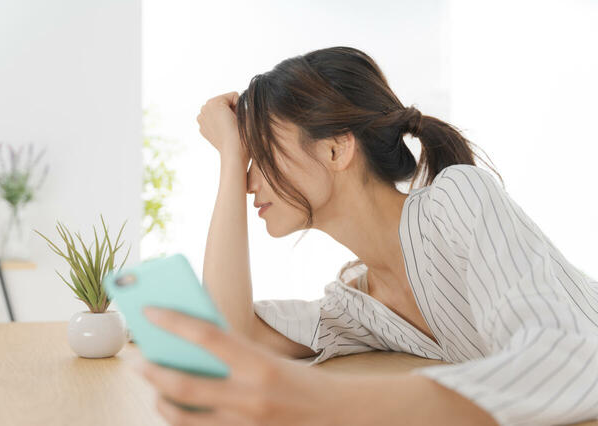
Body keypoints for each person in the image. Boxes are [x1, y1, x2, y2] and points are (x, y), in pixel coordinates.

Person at [137, 46, 598, 426]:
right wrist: (229, 158)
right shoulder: (360, 304)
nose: (248, 182)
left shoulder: (457, 197)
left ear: (336, 149)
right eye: (247, 159)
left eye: (262, 153)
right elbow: (230, 335)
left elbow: (573, 359)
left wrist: (329, 405)